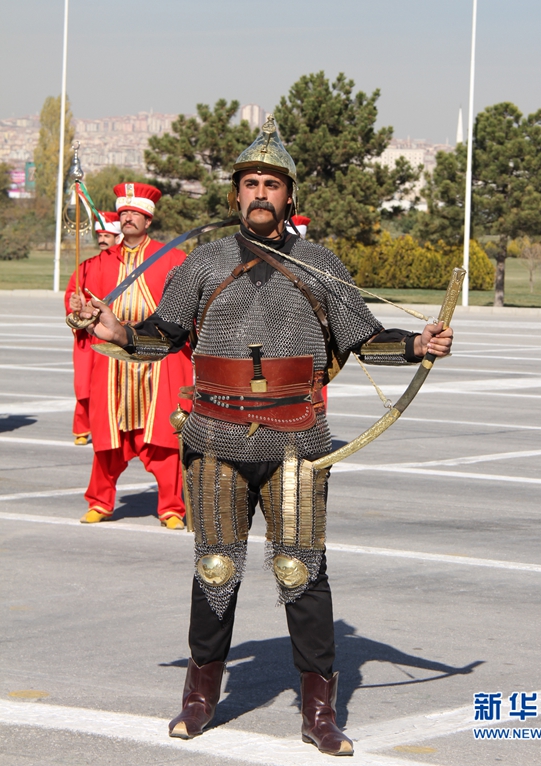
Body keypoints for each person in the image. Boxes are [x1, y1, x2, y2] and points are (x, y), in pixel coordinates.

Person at [80, 117, 453, 755]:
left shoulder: (318, 265)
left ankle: (320, 709)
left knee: (300, 572)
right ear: (235, 196)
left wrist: (418, 342)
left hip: (297, 441)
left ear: (289, 198)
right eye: (250, 182)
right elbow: (164, 334)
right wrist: (119, 334)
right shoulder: (202, 264)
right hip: (216, 438)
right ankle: (200, 697)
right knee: (216, 568)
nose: (260, 193)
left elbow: (364, 339)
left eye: (272, 184)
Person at [70, 183, 192, 529]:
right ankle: (100, 501)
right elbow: (82, 319)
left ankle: (171, 507)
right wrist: (79, 313)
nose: (126, 218)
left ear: (148, 220)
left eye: (133, 213)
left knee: (164, 439)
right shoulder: (97, 263)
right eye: (122, 213)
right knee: (108, 439)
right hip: (112, 363)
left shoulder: (172, 259)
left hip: (158, 359)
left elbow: (187, 311)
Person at [65, 212, 122, 445]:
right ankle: (82, 427)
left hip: (115, 335)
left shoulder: (126, 267)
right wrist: (74, 305)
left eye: (107, 235)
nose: (102, 239)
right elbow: (71, 294)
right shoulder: (85, 266)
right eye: (100, 235)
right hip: (88, 337)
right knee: (84, 385)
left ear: (118, 237)